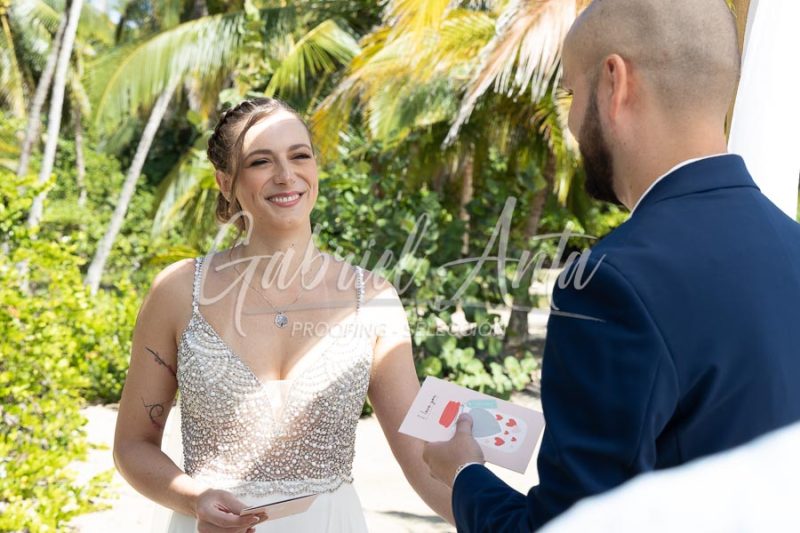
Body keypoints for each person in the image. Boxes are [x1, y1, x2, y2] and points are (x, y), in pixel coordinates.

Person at [422, 0, 800, 531]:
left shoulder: (611, 282)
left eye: (570, 93)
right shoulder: (791, 243)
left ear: (614, 82)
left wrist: (464, 474)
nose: (571, 122)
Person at [113, 98, 454, 532]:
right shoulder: (179, 291)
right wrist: (194, 498)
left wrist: (508, 521)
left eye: (300, 156)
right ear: (225, 182)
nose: (286, 175)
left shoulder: (372, 299)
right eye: (261, 161)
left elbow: (423, 459)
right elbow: (132, 445)